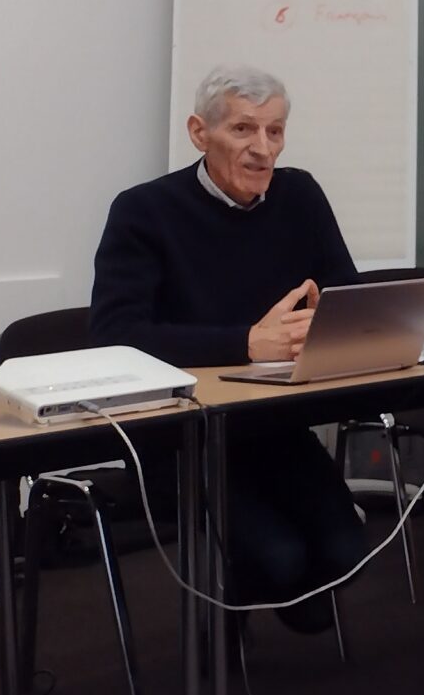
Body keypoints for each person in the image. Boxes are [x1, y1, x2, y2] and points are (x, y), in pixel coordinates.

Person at [89, 65, 364, 629]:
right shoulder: (144, 211)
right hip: (184, 442)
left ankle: (271, 591)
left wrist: (326, 322)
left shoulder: (300, 195)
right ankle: (229, 625)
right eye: (243, 129)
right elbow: (116, 335)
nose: (263, 148)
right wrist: (246, 343)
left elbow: (347, 295)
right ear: (199, 133)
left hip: (276, 427)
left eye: (275, 131)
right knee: (282, 558)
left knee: (346, 551)